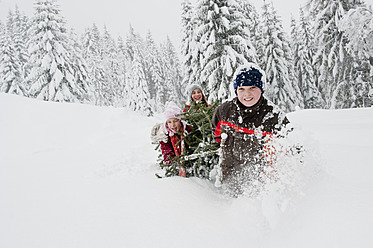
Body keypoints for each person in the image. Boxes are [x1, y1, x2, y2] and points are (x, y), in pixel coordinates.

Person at [212, 63, 290, 196]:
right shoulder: (225, 111)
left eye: (252, 87)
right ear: (236, 90)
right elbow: (216, 131)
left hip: (258, 179)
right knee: (229, 204)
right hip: (230, 170)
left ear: (261, 89)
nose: (247, 94)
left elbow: (291, 145)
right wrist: (218, 145)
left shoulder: (274, 117)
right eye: (241, 88)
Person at [150, 101, 192, 177]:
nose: (172, 125)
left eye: (175, 121)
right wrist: (175, 166)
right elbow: (167, 155)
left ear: (180, 121)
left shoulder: (188, 131)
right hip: (176, 165)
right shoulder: (165, 136)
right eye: (169, 122)